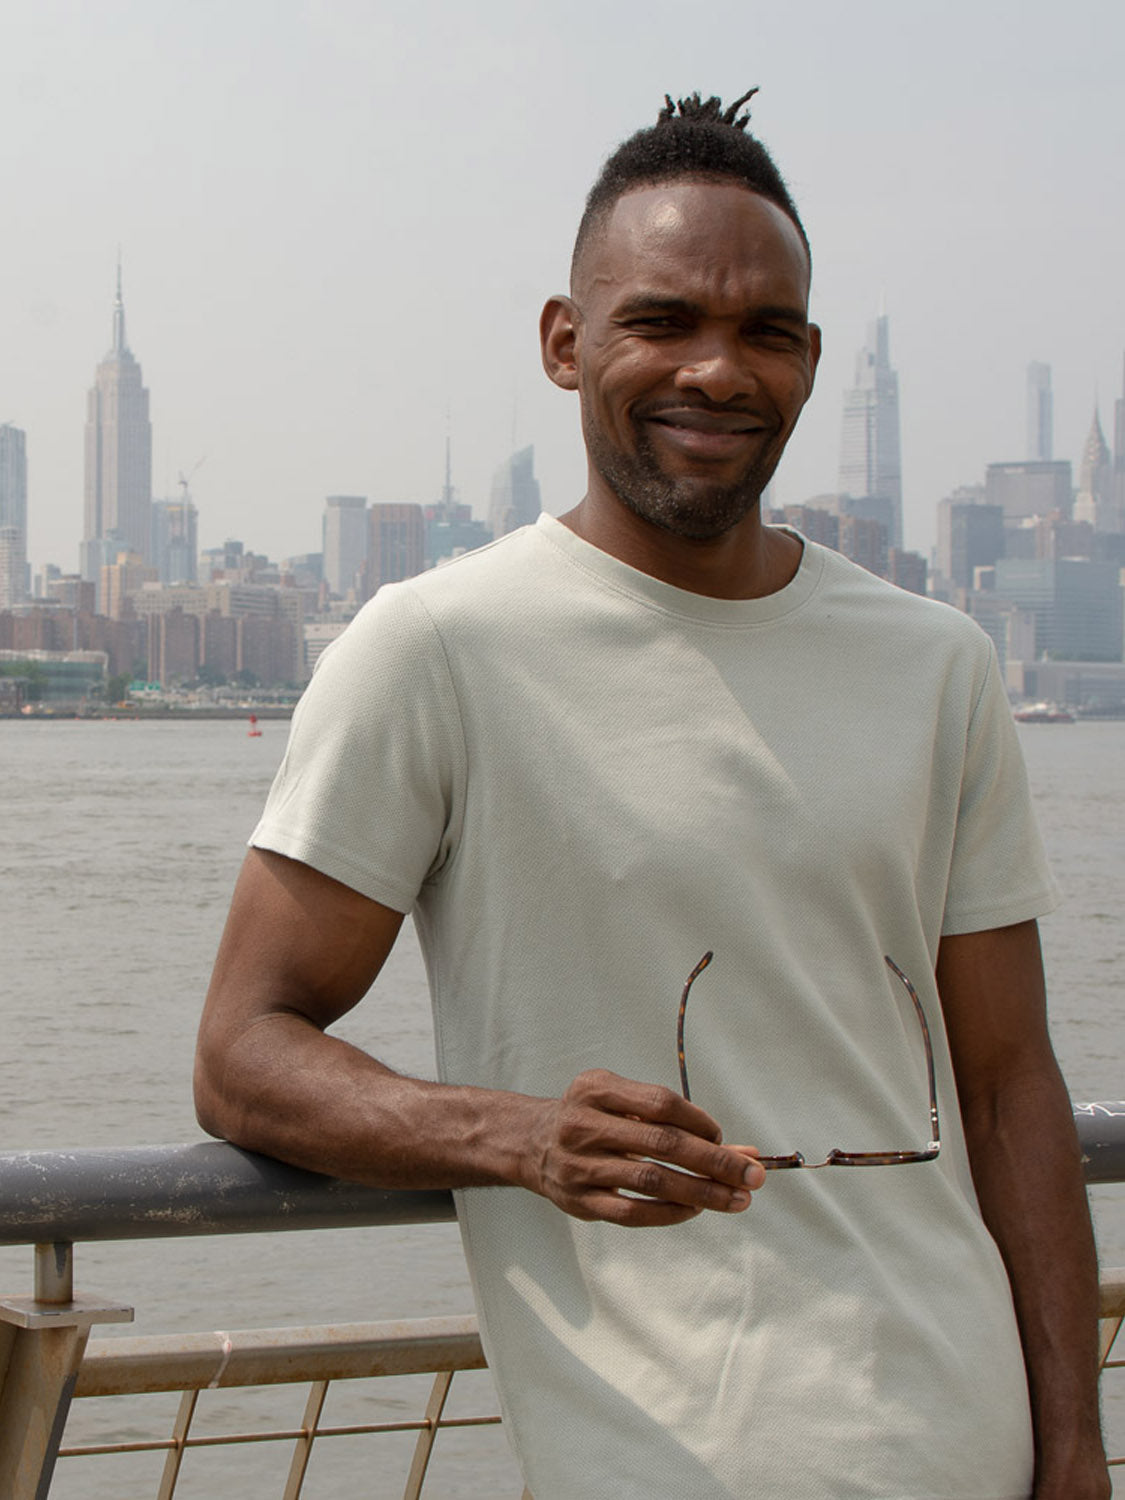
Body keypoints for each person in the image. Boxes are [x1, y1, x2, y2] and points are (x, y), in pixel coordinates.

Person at [195, 91, 1109, 1499]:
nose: (716, 371)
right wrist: (509, 1136)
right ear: (566, 344)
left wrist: (1070, 1449)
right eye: (662, 320)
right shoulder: (435, 648)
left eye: (766, 334)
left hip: (966, 1443)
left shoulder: (938, 662)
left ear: (808, 361)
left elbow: (1006, 1093)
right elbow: (242, 1052)